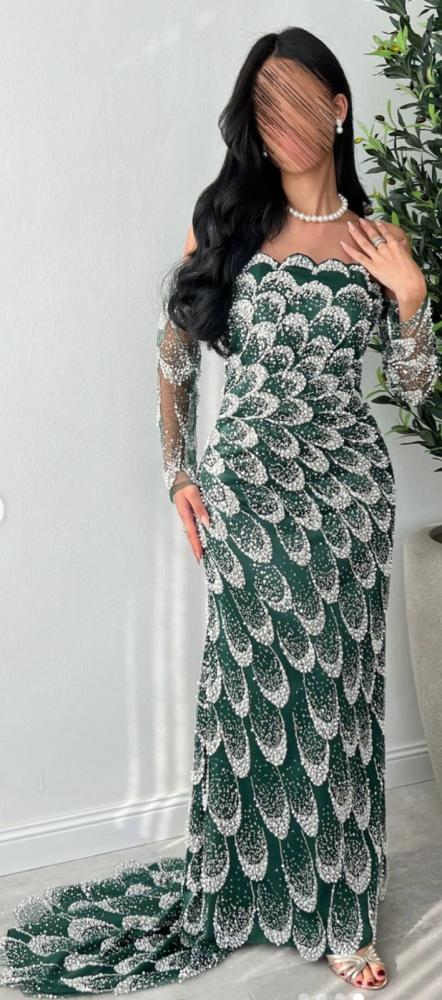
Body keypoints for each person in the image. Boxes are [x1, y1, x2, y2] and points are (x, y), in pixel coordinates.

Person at [0, 26, 438, 998]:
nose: (279, 123)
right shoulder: (227, 222)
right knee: (257, 698)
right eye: (263, 105)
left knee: (339, 707)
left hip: (347, 504)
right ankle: (251, 887)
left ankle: (339, 912)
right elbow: (173, 354)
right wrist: (179, 473)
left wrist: (411, 296)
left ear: (338, 108)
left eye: (297, 101)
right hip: (248, 501)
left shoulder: (379, 245)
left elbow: (416, 394)